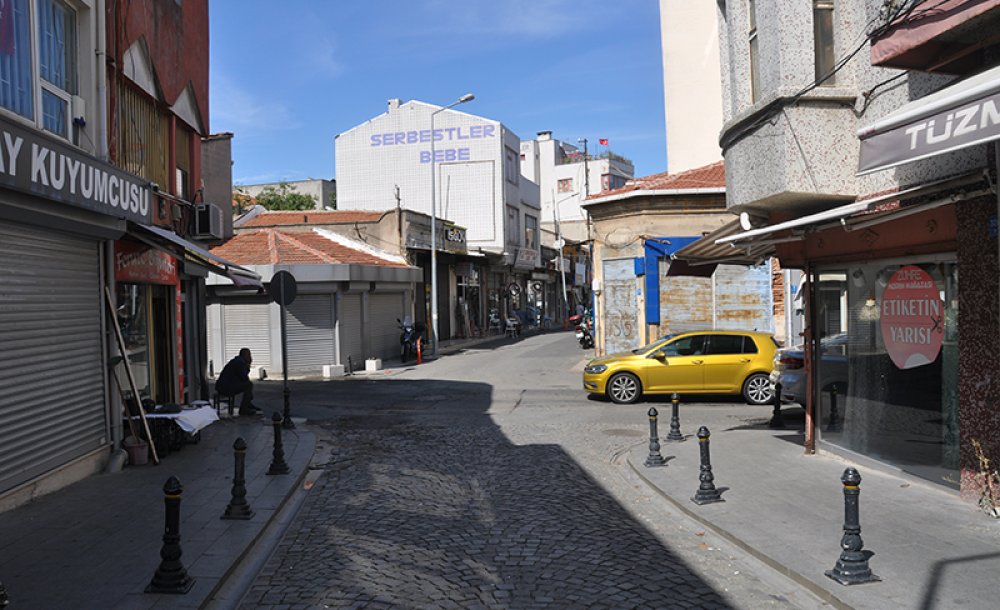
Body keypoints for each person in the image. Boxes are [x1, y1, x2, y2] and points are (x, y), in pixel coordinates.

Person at [216, 348, 261, 416]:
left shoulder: (237, 361)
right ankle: (244, 408)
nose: (250, 357)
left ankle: (247, 404)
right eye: (248, 355)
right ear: (244, 355)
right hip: (226, 387)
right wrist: (248, 365)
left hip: (224, 386)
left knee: (248, 385)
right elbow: (244, 377)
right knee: (248, 385)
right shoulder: (240, 363)